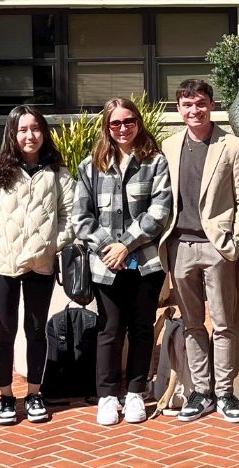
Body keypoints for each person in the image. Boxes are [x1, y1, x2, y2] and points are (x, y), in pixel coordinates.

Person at [0, 105, 73, 426]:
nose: (30, 136)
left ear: (44, 132)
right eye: (23, 129)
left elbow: (72, 216)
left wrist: (54, 243)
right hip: (3, 266)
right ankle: (6, 397)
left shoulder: (58, 173)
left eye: (35, 129)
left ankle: (35, 394)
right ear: (12, 133)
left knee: (38, 330)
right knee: (5, 331)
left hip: (41, 265)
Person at [71, 97, 173, 427]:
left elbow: (160, 212)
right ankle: (107, 396)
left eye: (129, 121)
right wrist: (109, 248)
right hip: (105, 265)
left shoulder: (154, 162)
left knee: (142, 328)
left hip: (144, 263)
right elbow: (80, 218)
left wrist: (125, 246)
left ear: (138, 123)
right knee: (110, 329)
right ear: (107, 127)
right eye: (115, 123)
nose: (123, 128)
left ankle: (135, 392)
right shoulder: (91, 166)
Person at [159, 79, 239, 424]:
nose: (194, 110)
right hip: (179, 247)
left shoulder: (232, 146)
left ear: (211, 105)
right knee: (191, 324)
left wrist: (235, 241)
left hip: (216, 248)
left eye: (200, 103)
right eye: (187, 104)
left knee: (223, 323)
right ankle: (201, 392)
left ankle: (226, 393)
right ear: (178, 108)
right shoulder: (168, 147)